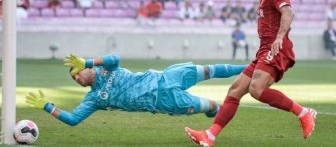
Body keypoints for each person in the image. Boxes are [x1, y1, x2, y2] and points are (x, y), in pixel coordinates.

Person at [185, 0, 317, 146]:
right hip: (263, 51)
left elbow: (288, 12)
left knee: (256, 89)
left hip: (276, 49)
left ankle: (304, 113)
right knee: (235, 90)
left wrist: (279, 37)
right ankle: (210, 136)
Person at [26, 54, 247, 126]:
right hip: (163, 100)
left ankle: (252, 67)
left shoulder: (105, 67)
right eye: (74, 78)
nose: (77, 78)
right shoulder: (94, 98)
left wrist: (89, 61)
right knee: (210, 105)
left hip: (163, 76)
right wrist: (47, 106)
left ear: (85, 66)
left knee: (210, 69)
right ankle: (213, 109)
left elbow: (116, 58)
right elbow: (73, 119)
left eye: (77, 72)